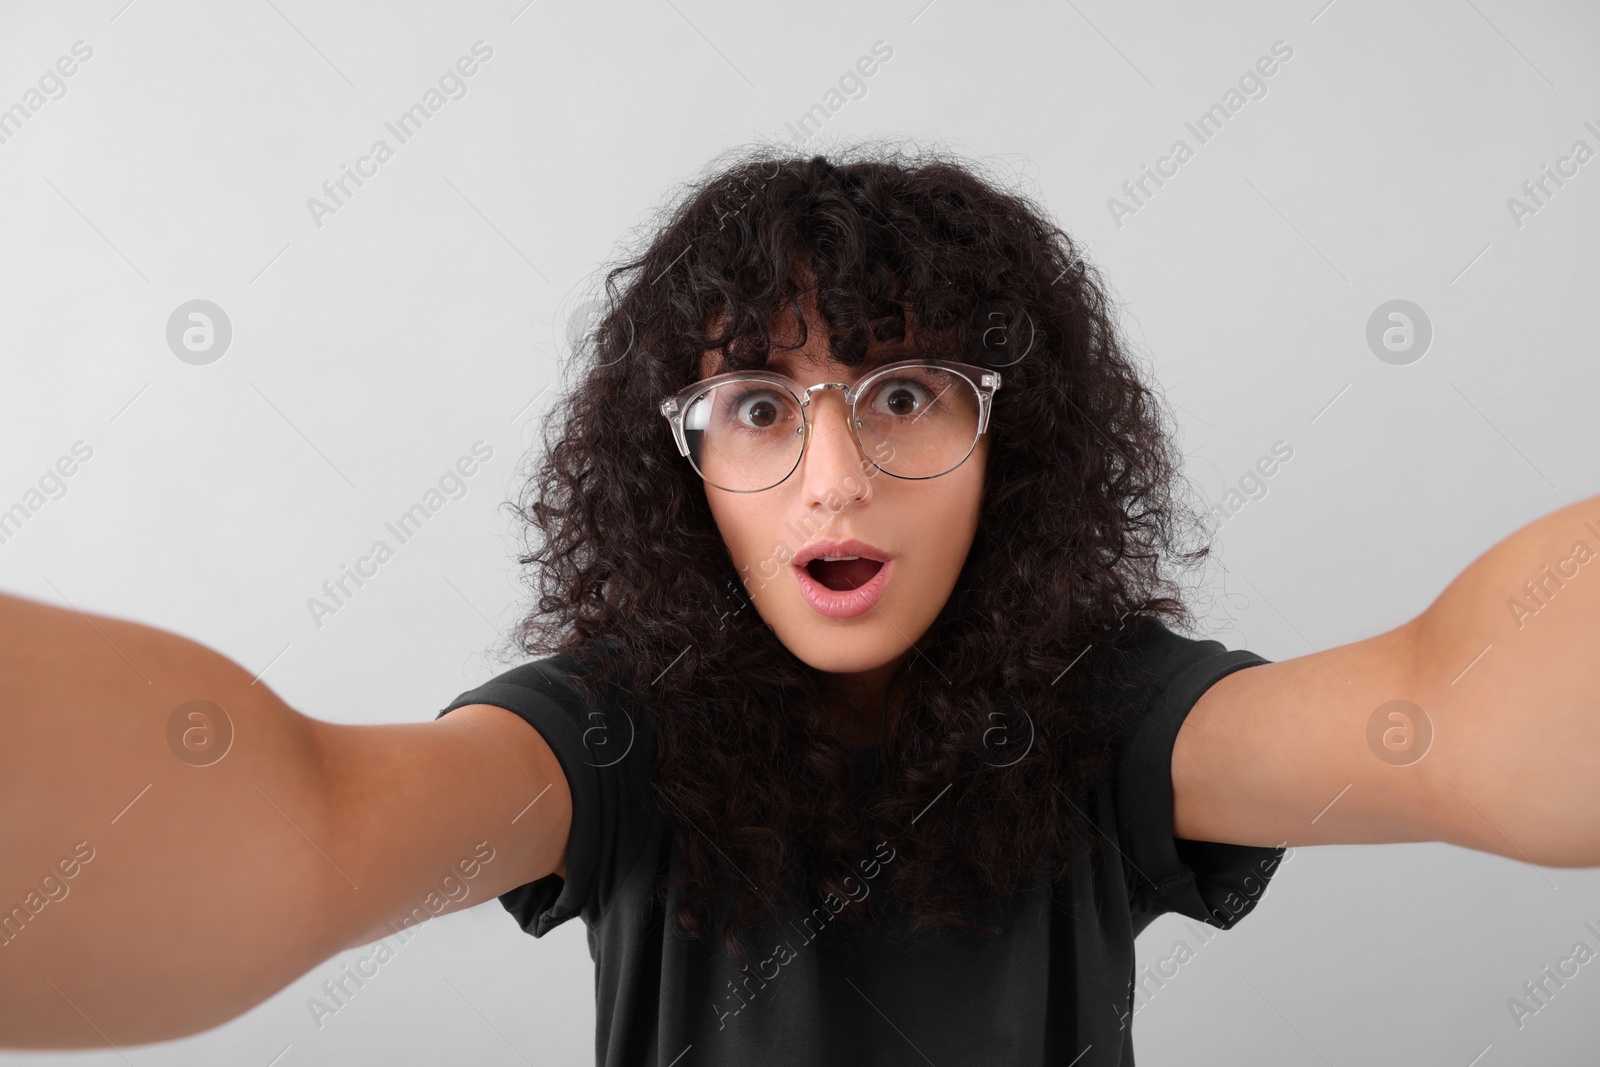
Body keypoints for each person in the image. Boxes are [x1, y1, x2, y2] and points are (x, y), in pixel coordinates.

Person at [2, 145, 1597, 1065]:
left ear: (1007, 443)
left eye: (904, 396)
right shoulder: (611, 732)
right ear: (684, 466)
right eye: (760, 407)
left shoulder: (1111, 718)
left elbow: (1445, 718)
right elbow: (322, 823)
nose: (832, 479)